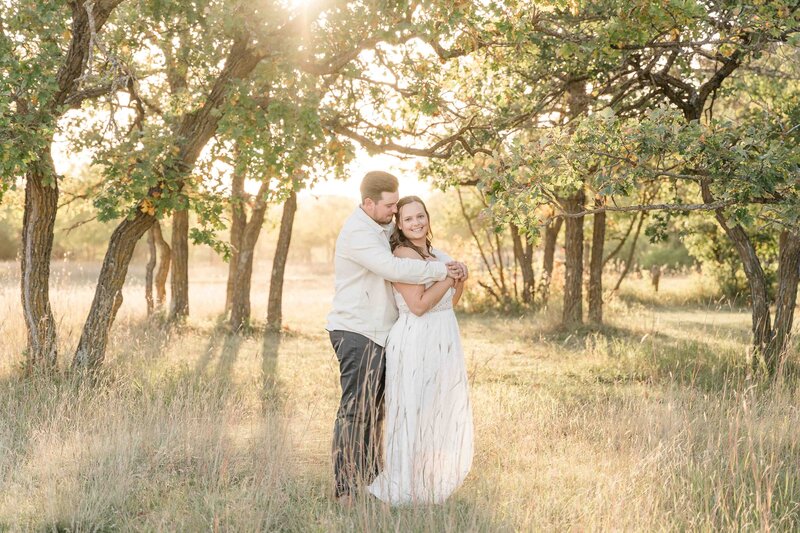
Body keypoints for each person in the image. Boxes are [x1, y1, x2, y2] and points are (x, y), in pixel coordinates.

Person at [326, 172, 466, 504]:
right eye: (389, 206)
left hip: (383, 332)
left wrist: (450, 265)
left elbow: (415, 239)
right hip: (356, 330)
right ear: (368, 203)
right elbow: (395, 269)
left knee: (375, 411)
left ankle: (373, 480)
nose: (394, 212)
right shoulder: (357, 233)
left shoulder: (384, 224)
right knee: (355, 410)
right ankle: (345, 490)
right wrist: (444, 271)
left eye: (395, 206)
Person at [368, 195, 474, 505]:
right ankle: (405, 481)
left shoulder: (437, 254)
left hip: (443, 335)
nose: (417, 222)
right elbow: (418, 306)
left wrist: (460, 279)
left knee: (437, 406)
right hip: (416, 338)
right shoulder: (402, 255)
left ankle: (430, 476)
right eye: (409, 219)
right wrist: (448, 274)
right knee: (415, 406)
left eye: (421, 216)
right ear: (399, 225)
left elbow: (449, 303)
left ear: (428, 218)